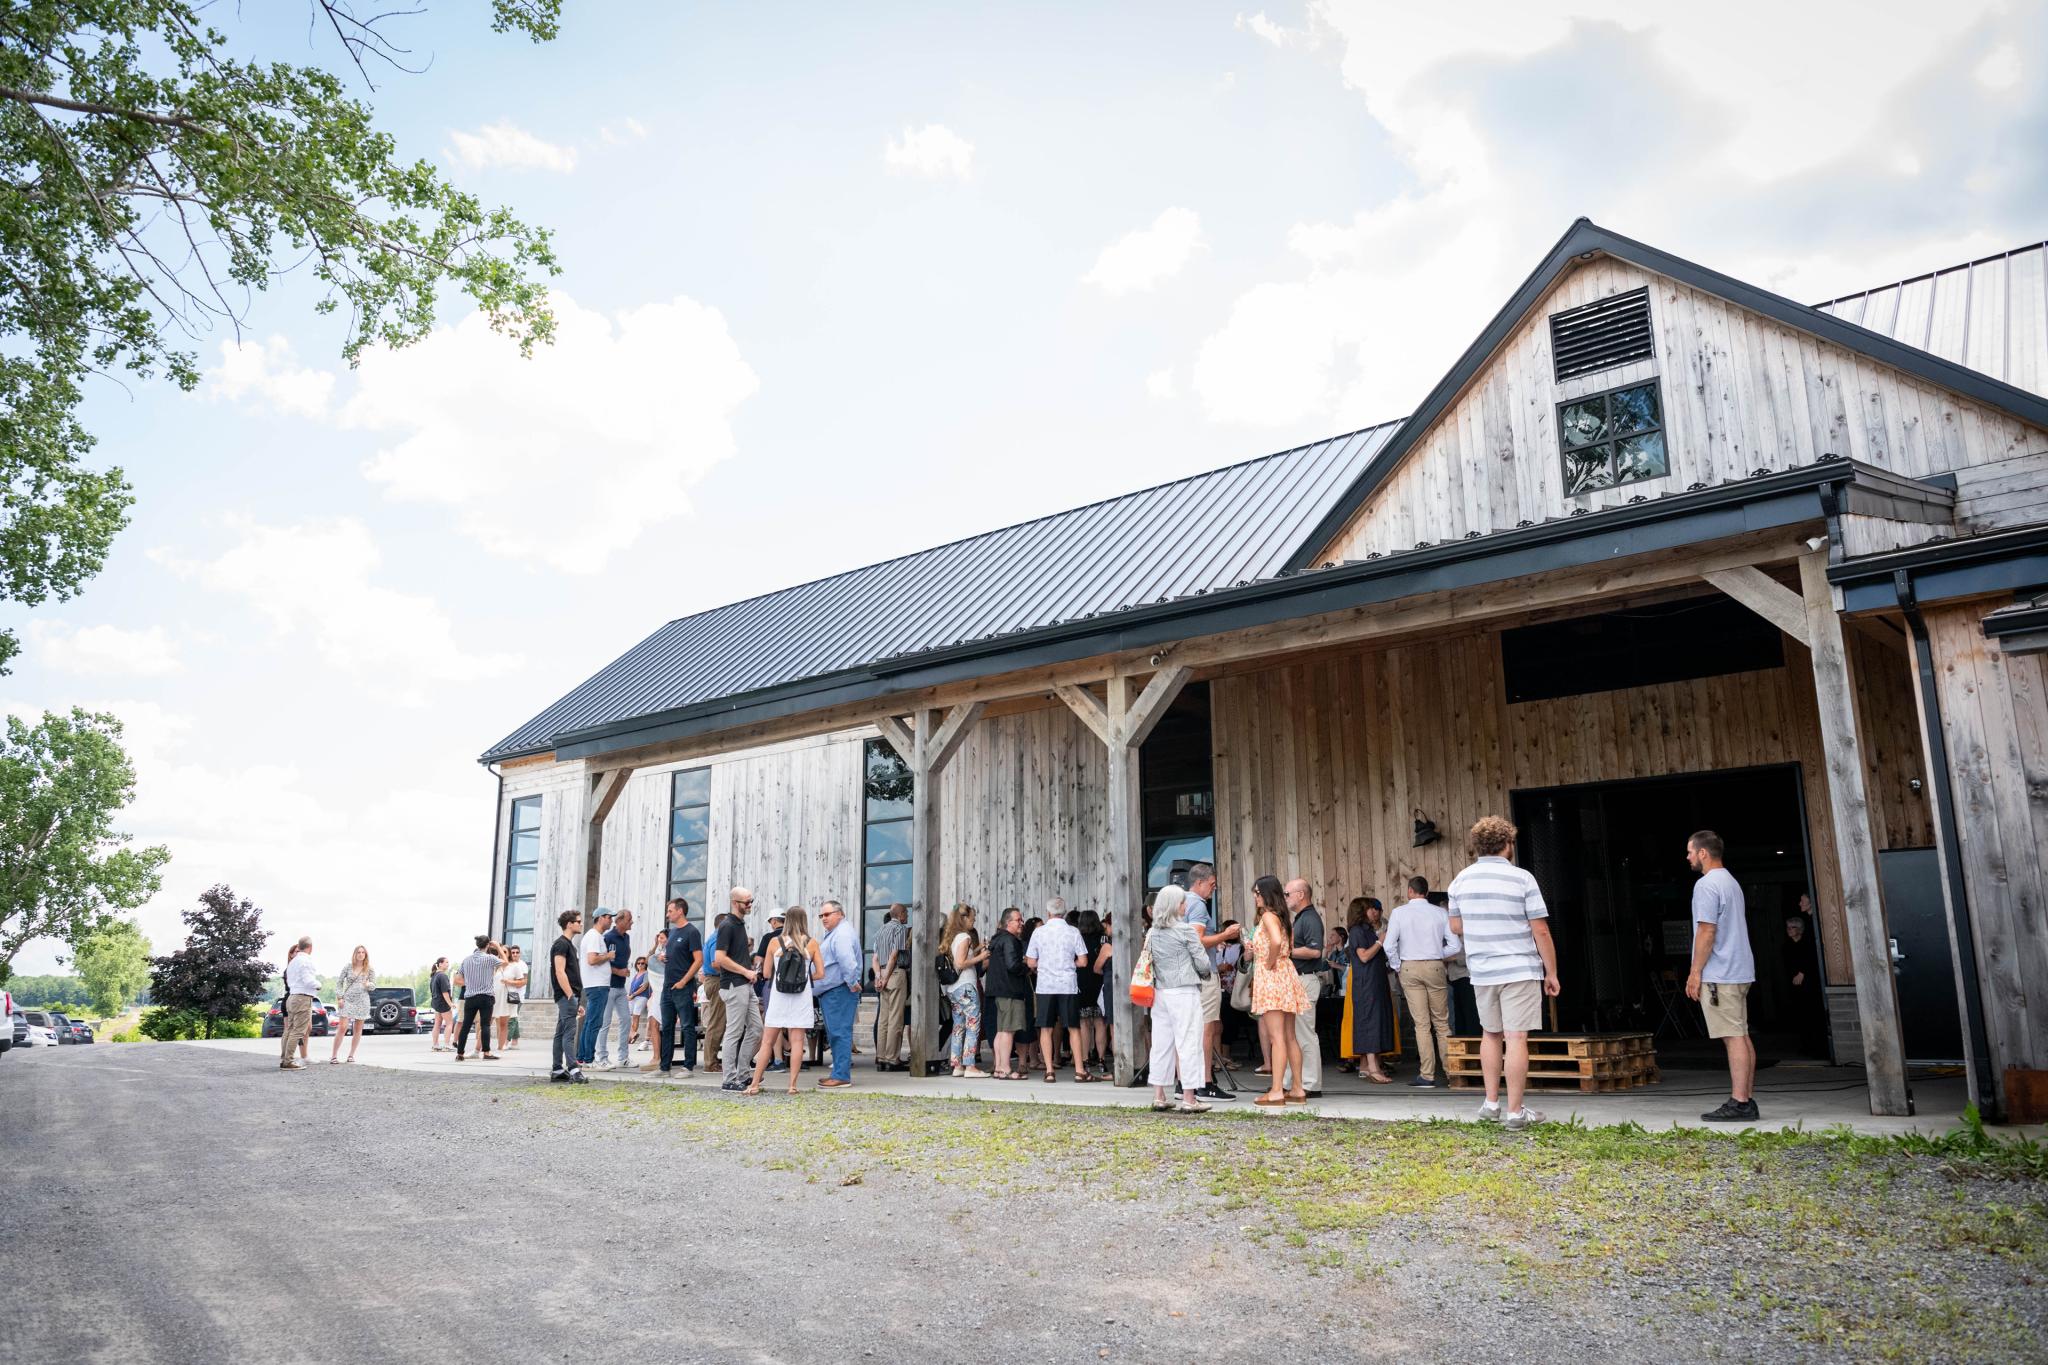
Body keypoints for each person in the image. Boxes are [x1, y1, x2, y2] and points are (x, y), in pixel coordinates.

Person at [1447, 816, 1560, 1132]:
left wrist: (1483, 923)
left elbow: (1455, 926)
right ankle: (1515, 1112)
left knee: (1490, 1034)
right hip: (1518, 968)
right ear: (1508, 844)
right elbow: (1541, 930)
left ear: (1478, 846)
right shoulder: (1522, 879)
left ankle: (1491, 1103)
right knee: (1516, 1037)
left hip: (1482, 970)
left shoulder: (1460, 881)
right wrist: (1551, 972)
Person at [1687, 830, 1759, 1122]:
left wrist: (1695, 972)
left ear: (1703, 853)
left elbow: (1707, 930)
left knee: (1732, 1037)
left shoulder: (1706, 885)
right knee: (1741, 1034)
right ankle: (1747, 1099)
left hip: (1721, 973)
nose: (1688, 857)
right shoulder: (1731, 882)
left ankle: (1739, 1102)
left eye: (1690, 852)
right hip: (1740, 970)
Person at [1145, 884, 1215, 1113]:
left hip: (1160, 992)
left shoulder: (1152, 932)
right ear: (1176, 905)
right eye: (1183, 902)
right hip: (1184, 990)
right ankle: (1189, 1098)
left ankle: (1159, 1095)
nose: (1186, 905)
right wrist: (1203, 974)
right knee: (1188, 1042)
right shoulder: (1185, 931)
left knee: (1161, 1043)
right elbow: (1203, 962)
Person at [1384, 876, 1458, 1089]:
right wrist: (1436, 954)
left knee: (1422, 1024)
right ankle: (1452, 1074)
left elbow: (1388, 945)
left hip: (1410, 966)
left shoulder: (1399, 913)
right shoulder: (1440, 913)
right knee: (1442, 1023)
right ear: (1426, 892)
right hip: (1435, 966)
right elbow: (1455, 946)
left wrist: (1398, 966)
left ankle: (1427, 1075)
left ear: (1410, 891)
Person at [745, 906, 824, 1095]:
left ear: (786, 920)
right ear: (804, 921)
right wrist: (805, 979)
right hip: (801, 997)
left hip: (779, 995)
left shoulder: (774, 942)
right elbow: (821, 973)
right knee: (797, 1041)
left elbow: (766, 973)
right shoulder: (812, 943)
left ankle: (754, 1084)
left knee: (767, 1041)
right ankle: (792, 1086)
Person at [1181, 863, 1240, 1103]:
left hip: (1186, 974)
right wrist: (1225, 935)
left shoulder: (1180, 902)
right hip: (1204, 974)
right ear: (1199, 882)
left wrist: (1216, 941)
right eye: (1212, 885)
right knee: (1208, 1028)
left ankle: (1183, 1084)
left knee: (1187, 1030)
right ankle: (1205, 1083)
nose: (1213, 889)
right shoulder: (1197, 904)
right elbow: (1196, 940)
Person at [1248, 876, 1308, 1106]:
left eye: (1257, 893)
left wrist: (1269, 961)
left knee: (1277, 1037)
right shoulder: (1283, 917)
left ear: (1266, 893)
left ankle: (1276, 1091)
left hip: (1273, 976)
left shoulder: (1267, 916)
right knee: (1290, 1036)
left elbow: (1274, 941)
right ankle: (1298, 1088)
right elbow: (1286, 945)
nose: (1255, 897)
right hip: (1287, 974)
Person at [1025, 898, 1093, 1083]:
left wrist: (1045, 965)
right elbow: (1083, 961)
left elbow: (1030, 962)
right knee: (1073, 1028)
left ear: (1048, 913)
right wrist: (1069, 963)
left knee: (1046, 1028)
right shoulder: (1073, 931)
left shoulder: (1039, 932)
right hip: (1067, 984)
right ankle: (1079, 1070)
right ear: (1064, 912)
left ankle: (1049, 1071)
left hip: (1045, 984)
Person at [1282, 879, 1328, 1097]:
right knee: (1291, 1034)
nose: (1285, 897)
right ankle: (1292, 1082)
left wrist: (1285, 950)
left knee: (1304, 1034)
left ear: (1301, 895)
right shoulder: (1302, 918)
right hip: (1297, 980)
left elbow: (1315, 951)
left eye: (1287, 894)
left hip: (1304, 980)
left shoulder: (1310, 919)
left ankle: (1311, 1084)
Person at [1340, 898, 1393, 1083]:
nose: (1374, 912)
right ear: (1362, 911)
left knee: (1376, 1020)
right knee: (1370, 1022)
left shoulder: (1367, 930)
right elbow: (1363, 956)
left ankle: (1367, 1066)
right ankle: (1373, 1069)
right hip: (1366, 983)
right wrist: (1380, 941)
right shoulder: (1357, 931)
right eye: (1371, 909)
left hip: (1374, 981)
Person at [713, 890, 762, 1091]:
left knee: (757, 1029)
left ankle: (742, 1074)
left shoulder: (739, 924)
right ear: (735, 902)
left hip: (744, 983)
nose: (750, 905)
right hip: (734, 985)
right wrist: (745, 971)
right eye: (747, 902)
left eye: (751, 901)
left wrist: (749, 972)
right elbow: (720, 958)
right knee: (734, 1032)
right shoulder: (727, 925)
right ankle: (729, 1079)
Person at [814, 900, 863, 1088]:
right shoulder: (837, 933)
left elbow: (847, 961)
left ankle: (841, 1075)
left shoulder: (841, 934)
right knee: (835, 1033)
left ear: (840, 914)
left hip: (839, 990)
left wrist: (852, 983)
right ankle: (838, 1073)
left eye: (827, 914)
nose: (823, 918)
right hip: (834, 990)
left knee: (839, 1032)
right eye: (822, 915)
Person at [941, 904, 991, 1078]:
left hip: (953, 989)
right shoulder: (964, 937)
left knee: (958, 1026)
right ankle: (970, 1065)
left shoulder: (954, 937)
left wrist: (976, 949)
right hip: (966, 987)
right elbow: (960, 963)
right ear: (964, 918)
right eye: (972, 918)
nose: (974, 921)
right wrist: (981, 956)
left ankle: (957, 1065)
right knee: (972, 1024)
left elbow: (959, 957)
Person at [982, 907, 1030, 1080]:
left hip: (998, 991)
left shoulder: (997, 939)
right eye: (1018, 920)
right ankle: (1006, 1068)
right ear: (1008, 922)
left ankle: (999, 1068)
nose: (1021, 923)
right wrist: (1027, 966)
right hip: (1010, 990)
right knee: (1008, 1031)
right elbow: (1012, 965)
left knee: (1001, 1031)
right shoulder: (1010, 940)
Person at [658, 897, 702, 1077]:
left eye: (670, 911)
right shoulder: (673, 932)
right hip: (667, 986)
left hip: (682, 986)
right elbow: (676, 956)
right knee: (667, 1027)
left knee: (687, 1026)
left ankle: (688, 1067)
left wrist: (684, 981)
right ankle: (664, 1068)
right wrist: (663, 958)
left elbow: (699, 960)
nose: (667, 914)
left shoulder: (692, 932)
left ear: (680, 911)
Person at [549, 910, 588, 1083]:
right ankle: (574, 1070)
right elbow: (559, 971)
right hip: (566, 995)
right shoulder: (561, 944)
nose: (581, 924)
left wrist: (575, 999)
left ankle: (557, 1070)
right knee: (569, 1033)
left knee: (561, 1032)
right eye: (578, 921)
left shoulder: (569, 945)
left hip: (570, 996)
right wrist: (571, 996)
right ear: (569, 924)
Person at [871, 902, 910, 1070]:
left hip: (881, 973)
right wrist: (886, 977)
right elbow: (894, 955)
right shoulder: (900, 929)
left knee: (883, 1019)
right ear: (900, 914)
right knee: (895, 1019)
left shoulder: (881, 930)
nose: (907, 916)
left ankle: (881, 1057)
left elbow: (875, 958)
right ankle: (892, 1059)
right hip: (894, 974)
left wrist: (879, 977)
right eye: (906, 913)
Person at [577, 909, 616, 1068]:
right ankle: (589, 1060)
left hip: (596, 985)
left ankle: (582, 1058)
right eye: (609, 917)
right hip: (597, 985)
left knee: (589, 1023)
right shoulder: (594, 936)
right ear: (600, 918)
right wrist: (608, 956)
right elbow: (592, 959)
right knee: (594, 1023)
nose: (611, 921)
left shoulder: (594, 936)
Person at [1074, 909, 1110, 1075]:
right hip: (1099, 981)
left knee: (1084, 1023)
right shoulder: (1103, 939)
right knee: (1100, 1022)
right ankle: (1101, 1060)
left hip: (1081, 982)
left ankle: (1085, 1059)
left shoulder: (1078, 938)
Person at [454, 935, 501, 1062]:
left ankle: (460, 1054)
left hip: (470, 997)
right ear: (488, 945)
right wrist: (498, 947)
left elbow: (457, 979)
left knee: (466, 1026)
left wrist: (470, 983)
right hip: (486, 996)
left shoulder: (466, 960)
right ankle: (486, 1052)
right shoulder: (490, 958)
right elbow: (506, 963)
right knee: (485, 1025)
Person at [279, 935, 319, 1071]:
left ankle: (284, 1059)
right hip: (302, 998)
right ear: (310, 947)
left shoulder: (293, 962)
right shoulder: (306, 961)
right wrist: (318, 984)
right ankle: (288, 1061)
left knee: (289, 1029)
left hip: (291, 997)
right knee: (298, 1031)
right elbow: (308, 980)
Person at [601, 907, 636, 1068]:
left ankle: (623, 1058)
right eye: (629, 920)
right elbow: (601, 961)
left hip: (621, 987)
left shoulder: (626, 937)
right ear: (620, 921)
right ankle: (601, 1057)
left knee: (626, 1020)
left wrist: (624, 971)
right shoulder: (608, 937)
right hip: (608, 987)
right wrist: (618, 971)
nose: (632, 922)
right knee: (605, 1023)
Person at [329, 945, 373, 1064]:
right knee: (343, 1027)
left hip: (362, 1001)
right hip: (347, 1000)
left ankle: (351, 1055)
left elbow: (374, 986)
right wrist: (339, 997)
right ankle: (334, 1056)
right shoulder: (348, 967)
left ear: (365, 955)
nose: (361, 954)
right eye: (358, 952)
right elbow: (339, 983)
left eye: (363, 952)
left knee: (358, 1029)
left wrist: (368, 985)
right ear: (355, 954)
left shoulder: (369, 969)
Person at [1783, 908, 1823, 1038]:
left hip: (1809, 985)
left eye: (1792, 927)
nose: (1789, 929)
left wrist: (1802, 973)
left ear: (1799, 929)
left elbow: (1811, 960)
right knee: (1799, 1013)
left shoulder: (1807, 943)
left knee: (1812, 1012)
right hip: (1794, 985)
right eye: (1788, 927)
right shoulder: (1786, 946)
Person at [494, 943, 528, 1053]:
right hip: (497, 998)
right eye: (500, 951)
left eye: (504, 952)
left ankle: (505, 1043)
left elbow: (522, 981)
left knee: (509, 1021)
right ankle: (502, 1043)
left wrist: (509, 982)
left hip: (510, 997)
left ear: (508, 954)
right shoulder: (497, 966)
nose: (502, 953)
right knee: (498, 1021)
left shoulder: (515, 966)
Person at [428, 955, 456, 1052]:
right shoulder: (443, 976)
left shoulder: (434, 975)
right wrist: (450, 1003)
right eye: (446, 962)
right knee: (449, 1023)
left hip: (436, 1002)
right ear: (440, 964)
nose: (448, 964)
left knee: (437, 1024)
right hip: (443, 1003)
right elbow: (445, 992)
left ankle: (435, 1045)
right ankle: (447, 1045)